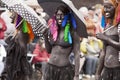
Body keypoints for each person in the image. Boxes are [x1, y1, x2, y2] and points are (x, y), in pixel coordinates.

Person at [43, 5, 80, 80]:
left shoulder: (73, 32)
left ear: (67, 16)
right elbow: (49, 50)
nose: (59, 17)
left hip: (64, 70)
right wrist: (45, 37)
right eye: (57, 15)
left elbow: (77, 54)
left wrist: (76, 75)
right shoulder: (53, 31)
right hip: (50, 68)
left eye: (62, 15)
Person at [95, 0, 120, 80]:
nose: (106, 10)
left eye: (109, 7)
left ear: (116, 8)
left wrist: (106, 38)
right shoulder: (107, 27)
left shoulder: (118, 26)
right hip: (106, 69)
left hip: (118, 69)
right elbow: (103, 52)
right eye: (105, 7)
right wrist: (98, 73)